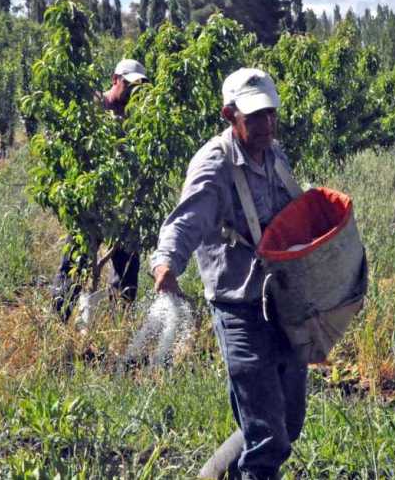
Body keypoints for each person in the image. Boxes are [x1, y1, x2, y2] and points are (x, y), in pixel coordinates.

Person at [151, 68, 307, 480]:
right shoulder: (215, 164)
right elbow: (186, 219)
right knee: (266, 436)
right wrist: (167, 262)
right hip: (238, 306)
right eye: (254, 117)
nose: (266, 124)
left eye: (270, 114)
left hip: (281, 300)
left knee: (287, 424)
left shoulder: (275, 155)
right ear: (229, 114)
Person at [51, 59, 148, 320]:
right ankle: (58, 323)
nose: (132, 92)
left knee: (127, 268)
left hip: (125, 205)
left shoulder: (141, 116)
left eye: (139, 87)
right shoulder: (94, 107)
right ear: (115, 79)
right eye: (128, 84)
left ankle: (119, 327)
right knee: (76, 262)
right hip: (90, 203)